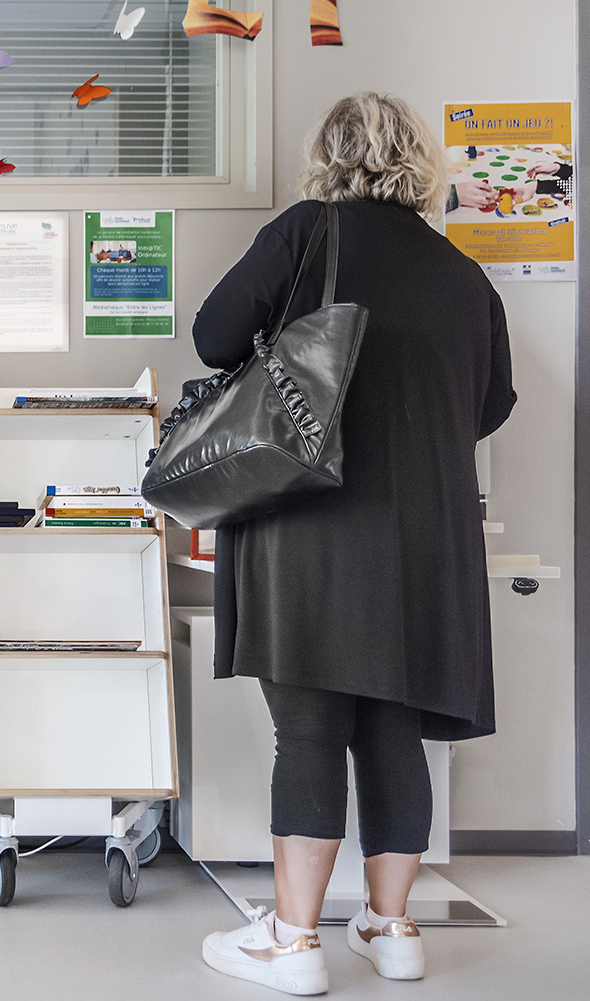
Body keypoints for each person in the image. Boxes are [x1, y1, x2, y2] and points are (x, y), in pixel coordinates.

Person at [191, 92, 516, 996]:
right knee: (394, 731)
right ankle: (392, 926)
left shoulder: (307, 233)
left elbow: (214, 338)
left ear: (329, 155)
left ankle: (293, 941)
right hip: (427, 540)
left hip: (310, 528)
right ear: (420, 162)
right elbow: (490, 404)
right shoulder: (463, 273)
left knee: (309, 731)